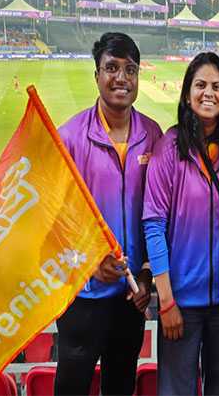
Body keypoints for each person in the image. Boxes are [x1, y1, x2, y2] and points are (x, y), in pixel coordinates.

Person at [143, 52, 219, 396]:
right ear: (186, 93)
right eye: (200, 85)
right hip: (180, 304)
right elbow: (153, 224)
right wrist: (165, 301)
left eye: (217, 86)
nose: (209, 93)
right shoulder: (169, 149)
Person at [55, 32, 162, 396]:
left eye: (130, 70)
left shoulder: (152, 135)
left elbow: (158, 216)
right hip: (82, 296)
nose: (121, 78)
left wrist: (147, 276)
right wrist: (88, 262)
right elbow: (54, 221)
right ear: (97, 74)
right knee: (72, 387)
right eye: (112, 68)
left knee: (120, 387)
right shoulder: (69, 137)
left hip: (131, 297)